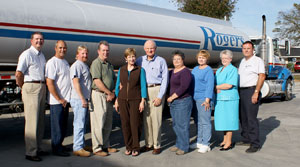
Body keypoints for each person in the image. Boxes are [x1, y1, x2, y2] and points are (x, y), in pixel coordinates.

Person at [15, 32, 47, 162]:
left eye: (41, 39)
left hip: (41, 86)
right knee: (32, 121)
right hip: (31, 87)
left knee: (40, 120)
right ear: (31, 41)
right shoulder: (27, 54)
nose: (39, 41)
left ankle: (38, 148)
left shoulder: (42, 56)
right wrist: (24, 87)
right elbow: (18, 74)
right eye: (37, 39)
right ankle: (30, 152)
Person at [136, 40, 168, 155]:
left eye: (152, 48)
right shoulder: (140, 60)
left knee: (157, 119)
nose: (150, 50)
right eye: (148, 48)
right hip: (144, 91)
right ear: (144, 49)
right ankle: (148, 144)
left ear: (155, 48)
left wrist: (160, 96)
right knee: (146, 119)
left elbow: (165, 80)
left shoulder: (161, 61)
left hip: (156, 89)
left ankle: (157, 145)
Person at [114, 48, 147, 157]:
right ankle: (128, 146)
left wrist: (142, 101)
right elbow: (118, 85)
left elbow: (143, 86)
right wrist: (117, 100)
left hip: (135, 100)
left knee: (135, 124)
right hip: (123, 100)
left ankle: (135, 147)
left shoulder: (140, 70)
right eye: (129, 57)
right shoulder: (121, 70)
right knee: (125, 124)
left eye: (133, 56)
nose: (132, 58)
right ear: (125, 58)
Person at [90, 41, 118, 157]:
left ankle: (106, 145)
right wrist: (108, 93)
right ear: (98, 51)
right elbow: (97, 80)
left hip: (108, 96)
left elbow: (113, 79)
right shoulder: (96, 63)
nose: (105, 52)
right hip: (99, 94)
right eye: (103, 50)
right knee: (98, 121)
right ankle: (97, 148)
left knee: (108, 122)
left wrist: (112, 93)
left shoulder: (109, 64)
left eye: (107, 50)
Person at [237, 41, 266, 153]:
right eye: (244, 48)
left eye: (248, 48)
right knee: (243, 117)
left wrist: (256, 92)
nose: (246, 50)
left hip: (251, 90)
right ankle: (246, 139)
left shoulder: (257, 61)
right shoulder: (242, 61)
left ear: (253, 49)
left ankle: (255, 144)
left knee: (251, 118)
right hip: (242, 91)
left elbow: (262, 76)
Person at [45, 40, 71, 156]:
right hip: (57, 101)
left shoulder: (65, 62)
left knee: (63, 125)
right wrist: (59, 99)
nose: (62, 50)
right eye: (60, 48)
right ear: (55, 48)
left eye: (64, 48)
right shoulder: (52, 63)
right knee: (57, 126)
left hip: (65, 100)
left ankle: (60, 145)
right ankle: (56, 149)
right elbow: (49, 83)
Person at [167, 50, 193, 155]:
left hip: (183, 101)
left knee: (182, 125)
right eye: (174, 59)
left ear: (183, 60)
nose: (176, 61)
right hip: (174, 102)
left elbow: (183, 87)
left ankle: (184, 147)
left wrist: (172, 97)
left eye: (179, 59)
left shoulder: (185, 72)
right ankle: (178, 144)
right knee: (176, 125)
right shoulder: (171, 71)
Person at [214, 50, 239, 151]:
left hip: (230, 99)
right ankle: (224, 139)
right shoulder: (220, 69)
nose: (224, 60)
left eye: (226, 58)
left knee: (229, 120)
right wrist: (218, 87)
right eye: (223, 58)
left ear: (230, 59)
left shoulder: (233, 69)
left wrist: (217, 87)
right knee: (223, 120)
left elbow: (229, 85)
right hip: (220, 98)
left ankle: (229, 142)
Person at [190, 50, 214, 153]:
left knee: (205, 122)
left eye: (203, 58)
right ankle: (199, 141)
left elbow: (210, 85)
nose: (201, 59)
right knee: (198, 122)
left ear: (207, 59)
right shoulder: (195, 69)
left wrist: (207, 100)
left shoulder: (208, 70)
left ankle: (206, 144)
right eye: (200, 57)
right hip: (195, 98)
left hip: (204, 99)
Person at [70, 45, 92, 157]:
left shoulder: (84, 65)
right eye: (82, 53)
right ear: (77, 54)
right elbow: (76, 82)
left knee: (82, 123)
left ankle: (81, 144)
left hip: (83, 99)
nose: (85, 55)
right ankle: (77, 147)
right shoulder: (77, 66)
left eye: (86, 53)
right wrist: (82, 98)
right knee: (79, 123)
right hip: (79, 99)